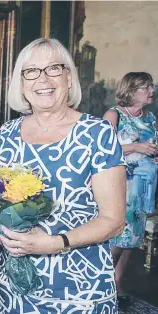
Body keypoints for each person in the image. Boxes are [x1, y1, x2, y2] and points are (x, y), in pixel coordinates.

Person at [0, 38, 126, 313]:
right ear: (21, 82)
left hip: (79, 288)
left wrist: (56, 243)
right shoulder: (6, 134)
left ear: (68, 78)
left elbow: (113, 221)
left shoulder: (97, 134)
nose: (43, 79)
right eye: (31, 71)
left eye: (54, 68)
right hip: (14, 289)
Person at [103, 72, 157, 309]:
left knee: (132, 239)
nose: (152, 92)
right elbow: (104, 151)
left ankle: (118, 284)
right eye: (147, 88)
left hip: (143, 187)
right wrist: (138, 147)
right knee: (118, 236)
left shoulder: (151, 117)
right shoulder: (113, 115)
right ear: (132, 90)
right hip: (120, 185)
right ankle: (100, 283)